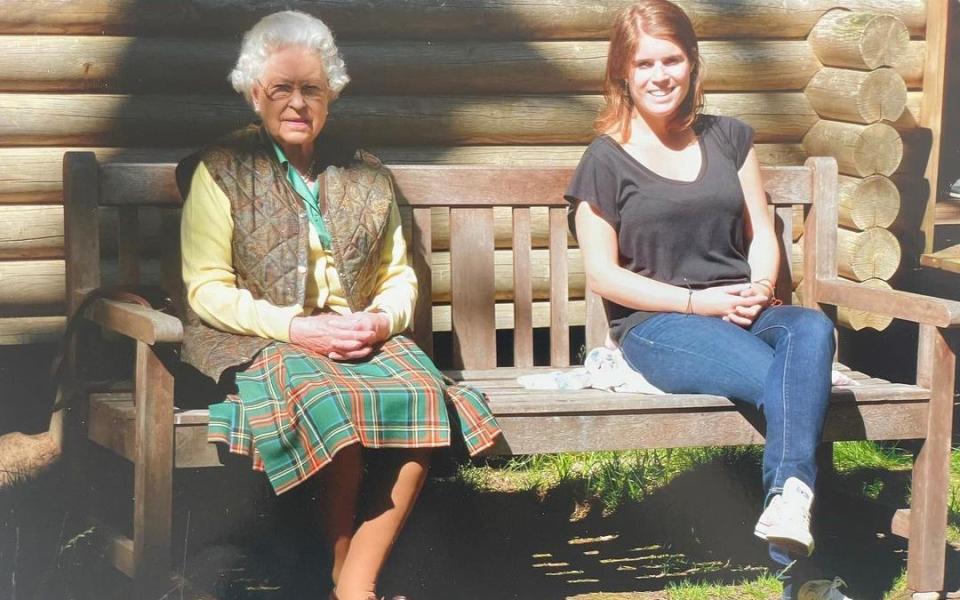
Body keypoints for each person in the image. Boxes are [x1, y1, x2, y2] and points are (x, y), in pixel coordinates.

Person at [177, 11, 501, 600]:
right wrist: (296, 327)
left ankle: (355, 581)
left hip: (357, 335)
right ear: (255, 94)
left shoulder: (365, 175)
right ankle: (349, 579)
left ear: (330, 96)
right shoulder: (220, 171)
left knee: (422, 392)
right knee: (333, 399)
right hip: (264, 338)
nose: (297, 103)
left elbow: (400, 277)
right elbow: (206, 289)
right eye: (282, 88)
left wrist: (380, 319)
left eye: (312, 89)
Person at [564, 2, 849, 599]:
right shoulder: (604, 160)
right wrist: (703, 306)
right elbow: (604, 277)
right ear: (622, 73)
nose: (660, 75)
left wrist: (760, 289)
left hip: (746, 308)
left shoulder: (731, 138)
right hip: (660, 323)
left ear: (693, 64)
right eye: (644, 64)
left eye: (672, 59)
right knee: (785, 379)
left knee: (811, 332)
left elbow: (762, 233)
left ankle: (788, 502)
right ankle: (804, 570)